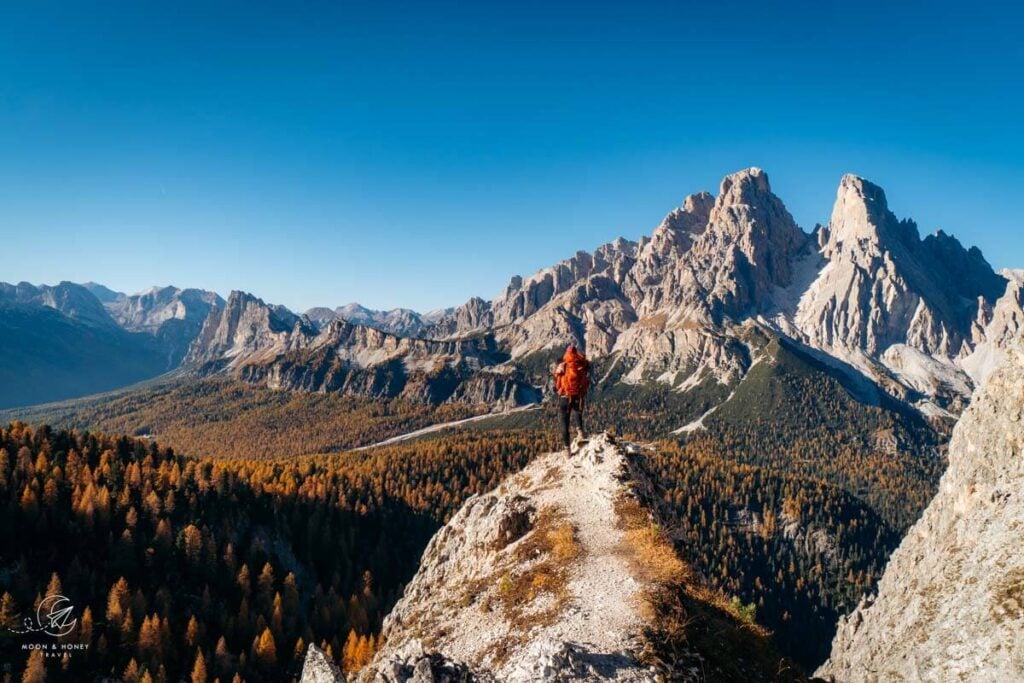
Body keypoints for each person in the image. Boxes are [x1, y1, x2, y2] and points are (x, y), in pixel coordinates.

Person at [553, 344, 590, 450]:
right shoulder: (581, 365)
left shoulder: (562, 365)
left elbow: (557, 382)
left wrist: (559, 390)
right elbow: (585, 381)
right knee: (577, 412)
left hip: (564, 397)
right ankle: (581, 433)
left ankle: (567, 450)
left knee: (564, 422)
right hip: (577, 395)